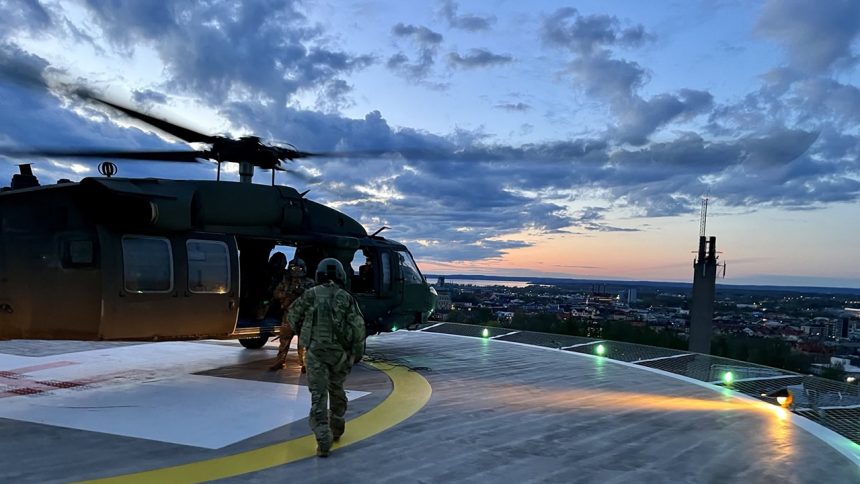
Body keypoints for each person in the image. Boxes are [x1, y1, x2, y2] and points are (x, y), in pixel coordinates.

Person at [287, 258, 366, 457]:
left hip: (315, 353)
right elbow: (358, 328)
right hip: (339, 354)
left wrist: (304, 333)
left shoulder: (310, 295)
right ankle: (337, 424)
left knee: (318, 395)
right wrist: (356, 353)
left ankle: (323, 437)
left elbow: (293, 316)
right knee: (337, 388)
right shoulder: (346, 298)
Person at [269, 257, 315, 372]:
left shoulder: (309, 283)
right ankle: (280, 361)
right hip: (288, 315)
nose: (296, 271)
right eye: (294, 268)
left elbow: (314, 298)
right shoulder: (285, 282)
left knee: (303, 342)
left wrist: (301, 294)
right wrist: (287, 294)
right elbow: (276, 294)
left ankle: (305, 364)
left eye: (298, 268)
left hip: (303, 317)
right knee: (284, 340)